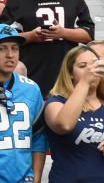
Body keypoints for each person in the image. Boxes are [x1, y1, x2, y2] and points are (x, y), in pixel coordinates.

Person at [0, 0, 94, 96]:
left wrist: (63, 33)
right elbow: (2, 38)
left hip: (66, 73)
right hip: (30, 72)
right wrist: (31, 36)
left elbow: (88, 34)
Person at [0, 24, 48, 183]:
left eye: (15, 48)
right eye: (2, 49)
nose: (10, 55)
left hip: (24, 179)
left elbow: (38, 138)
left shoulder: (31, 88)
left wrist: (36, 179)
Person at [44, 45, 104, 182]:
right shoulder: (56, 102)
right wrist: (85, 82)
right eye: (83, 66)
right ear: (70, 73)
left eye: (95, 65)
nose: (91, 71)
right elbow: (64, 125)